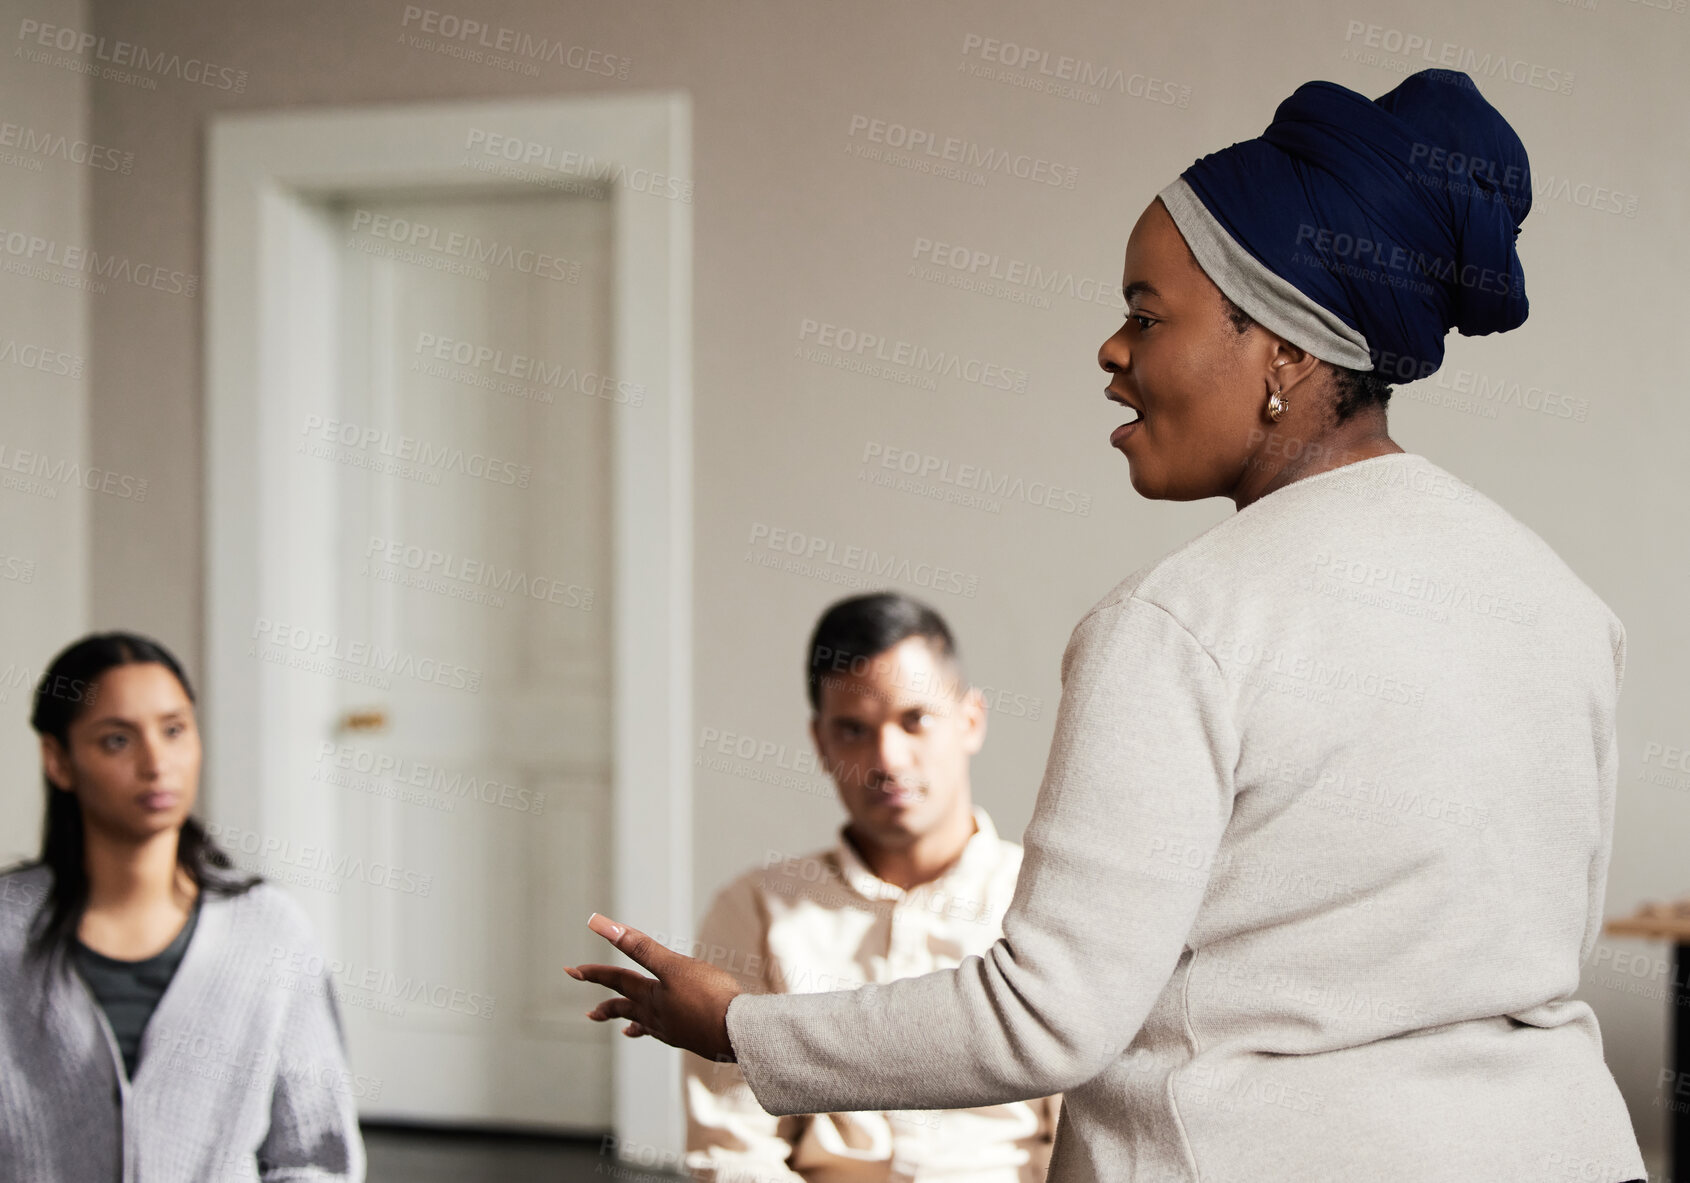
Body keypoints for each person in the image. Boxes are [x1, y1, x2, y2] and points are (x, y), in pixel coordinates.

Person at [569, 69, 1649, 1182]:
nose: (1109, 351)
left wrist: (744, 1027)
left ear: (1281, 343)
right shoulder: (1561, 603)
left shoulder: (1178, 624)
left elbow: (1046, 1016)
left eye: (1144, 313)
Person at [682, 593, 1060, 1182]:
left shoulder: (1044, 902)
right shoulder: (755, 910)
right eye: (854, 730)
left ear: (971, 721)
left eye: (915, 719)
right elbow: (732, 1152)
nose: (886, 758)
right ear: (820, 743)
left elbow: (1084, 1138)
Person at [0, 633, 367, 1182]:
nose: (156, 763)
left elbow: (315, 1154)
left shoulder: (270, 931)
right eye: (117, 740)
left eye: (174, 730)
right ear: (59, 760)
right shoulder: (7, 929)